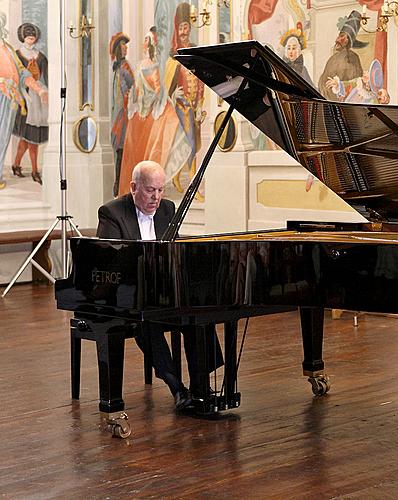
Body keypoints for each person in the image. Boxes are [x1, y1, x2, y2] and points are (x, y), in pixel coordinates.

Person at [96, 160, 223, 411]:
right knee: (147, 321)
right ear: (133, 187)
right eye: (149, 190)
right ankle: (177, 387)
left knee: (198, 312)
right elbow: (107, 263)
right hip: (128, 295)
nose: (156, 197)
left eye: (160, 190)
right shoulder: (111, 212)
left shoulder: (167, 209)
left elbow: (172, 253)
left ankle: (201, 386)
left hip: (163, 291)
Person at [117, 27, 191, 196]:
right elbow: (154, 92)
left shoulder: (147, 66)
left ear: (150, 44)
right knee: (165, 123)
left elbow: (153, 92)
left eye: (145, 39)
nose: (143, 43)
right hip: (143, 113)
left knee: (146, 148)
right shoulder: (150, 66)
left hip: (142, 113)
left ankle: (147, 186)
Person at [0, 12, 47, 190]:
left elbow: (22, 74)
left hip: (10, 100)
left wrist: (39, 89)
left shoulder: (9, 49)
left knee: (3, 137)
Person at [164, 2, 205, 197]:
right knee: (190, 144)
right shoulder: (173, 57)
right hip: (181, 106)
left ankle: (177, 175)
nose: (184, 31)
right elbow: (167, 89)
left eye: (186, 27)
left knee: (193, 144)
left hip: (194, 106)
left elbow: (201, 82)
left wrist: (201, 105)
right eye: (180, 28)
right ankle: (192, 186)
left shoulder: (195, 52)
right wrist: (174, 95)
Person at [11, 22, 48, 185]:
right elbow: (16, 78)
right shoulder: (17, 55)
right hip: (24, 101)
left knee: (28, 138)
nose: (30, 39)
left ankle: (16, 165)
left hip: (39, 99)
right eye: (27, 36)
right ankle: (34, 171)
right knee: (29, 138)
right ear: (23, 37)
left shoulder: (40, 56)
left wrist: (45, 92)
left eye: (32, 36)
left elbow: (45, 78)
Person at [317, 10, 366, 100]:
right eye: (339, 35)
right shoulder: (332, 59)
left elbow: (358, 83)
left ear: (349, 41)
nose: (337, 39)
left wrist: (339, 85)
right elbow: (323, 81)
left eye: (342, 36)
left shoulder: (353, 58)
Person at [109, 32, 134, 196]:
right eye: (122, 46)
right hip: (117, 113)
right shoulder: (116, 67)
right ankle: (118, 183)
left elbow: (133, 86)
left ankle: (119, 184)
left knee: (121, 150)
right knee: (118, 149)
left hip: (124, 114)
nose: (125, 49)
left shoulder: (125, 67)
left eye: (126, 46)